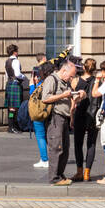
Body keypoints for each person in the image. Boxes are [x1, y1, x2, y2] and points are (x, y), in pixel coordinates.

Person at [42, 56, 83, 185]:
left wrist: (77, 95)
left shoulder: (65, 82)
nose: (71, 79)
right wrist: (63, 95)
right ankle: (54, 177)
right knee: (56, 148)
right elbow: (45, 98)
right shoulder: (51, 79)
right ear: (64, 71)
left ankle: (60, 175)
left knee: (65, 148)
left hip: (65, 117)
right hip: (55, 118)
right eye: (70, 76)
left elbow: (68, 98)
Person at [72, 57, 100, 181]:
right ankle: (87, 173)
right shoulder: (98, 81)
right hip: (93, 115)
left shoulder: (76, 81)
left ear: (83, 67)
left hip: (80, 114)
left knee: (78, 144)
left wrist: (71, 117)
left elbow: (73, 101)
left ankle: (79, 171)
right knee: (91, 144)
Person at [4, 43, 27, 133]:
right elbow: (17, 74)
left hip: (9, 83)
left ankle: (11, 126)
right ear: (14, 52)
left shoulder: (7, 61)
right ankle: (13, 127)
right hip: (15, 84)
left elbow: (6, 74)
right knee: (14, 107)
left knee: (10, 107)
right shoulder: (16, 61)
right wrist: (24, 77)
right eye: (17, 51)